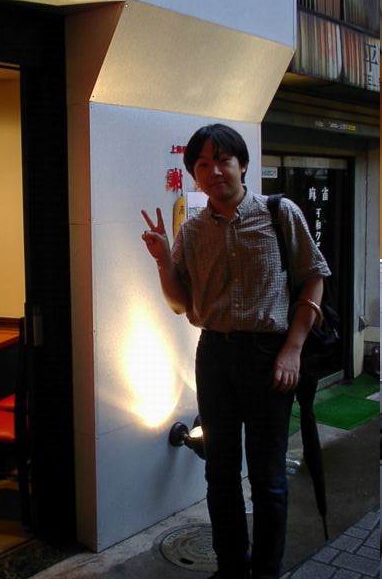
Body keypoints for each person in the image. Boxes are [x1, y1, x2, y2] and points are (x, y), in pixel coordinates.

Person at [141, 124, 330, 579]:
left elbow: (314, 277)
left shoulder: (279, 213)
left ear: (242, 165)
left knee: (267, 477)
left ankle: (265, 571)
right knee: (220, 474)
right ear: (194, 174)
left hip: (269, 357)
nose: (214, 171)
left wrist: (292, 349)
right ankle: (230, 568)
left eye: (223, 160)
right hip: (214, 357)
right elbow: (180, 304)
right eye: (203, 164)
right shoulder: (191, 232)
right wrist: (164, 261)